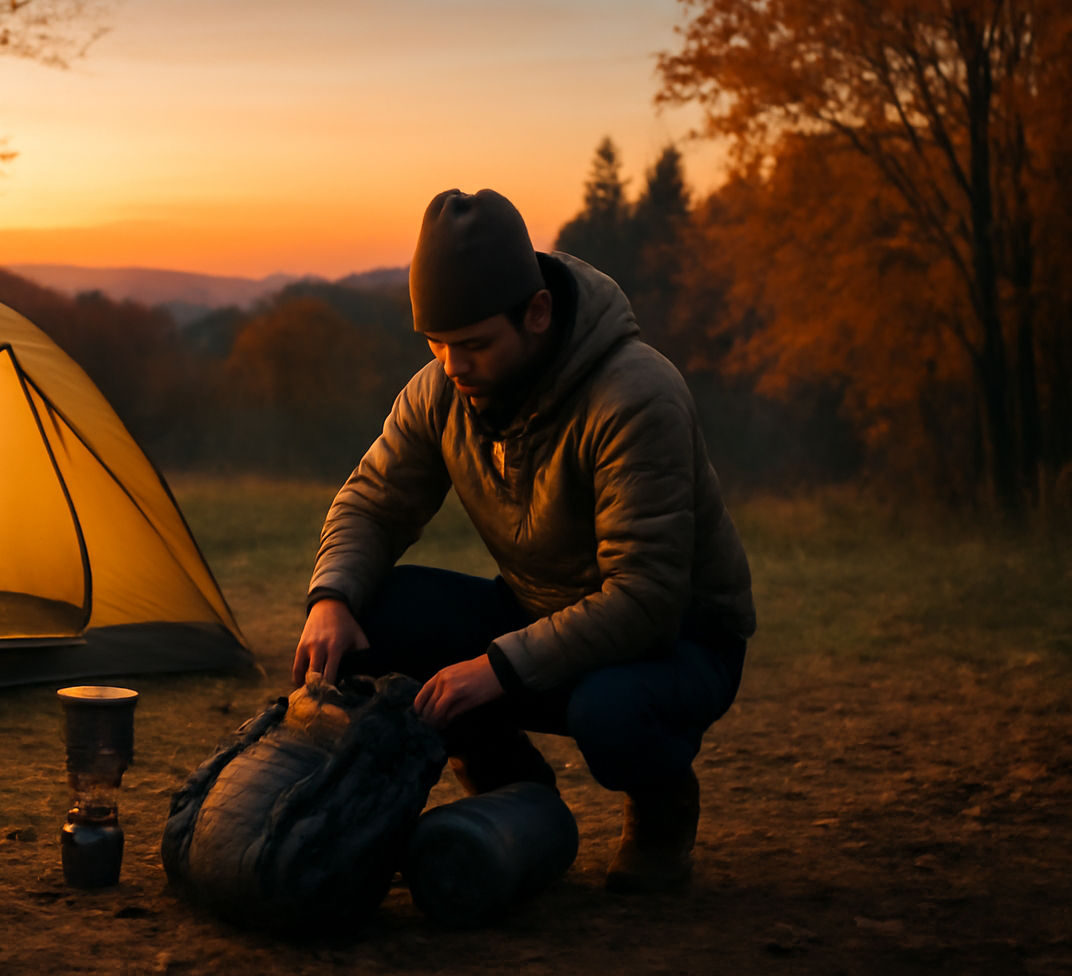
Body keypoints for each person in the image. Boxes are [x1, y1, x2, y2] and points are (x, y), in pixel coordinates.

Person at [292, 188, 755, 894]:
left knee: (610, 713)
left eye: (474, 344)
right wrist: (330, 598)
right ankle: (516, 797)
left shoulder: (635, 395)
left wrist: (498, 669)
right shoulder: (442, 389)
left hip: (677, 643)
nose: (453, 365)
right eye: (437, 344)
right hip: (543, 618)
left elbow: (647, 598)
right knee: (377, 614)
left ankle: (662, 802)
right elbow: (373, 504)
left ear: (536, 314)